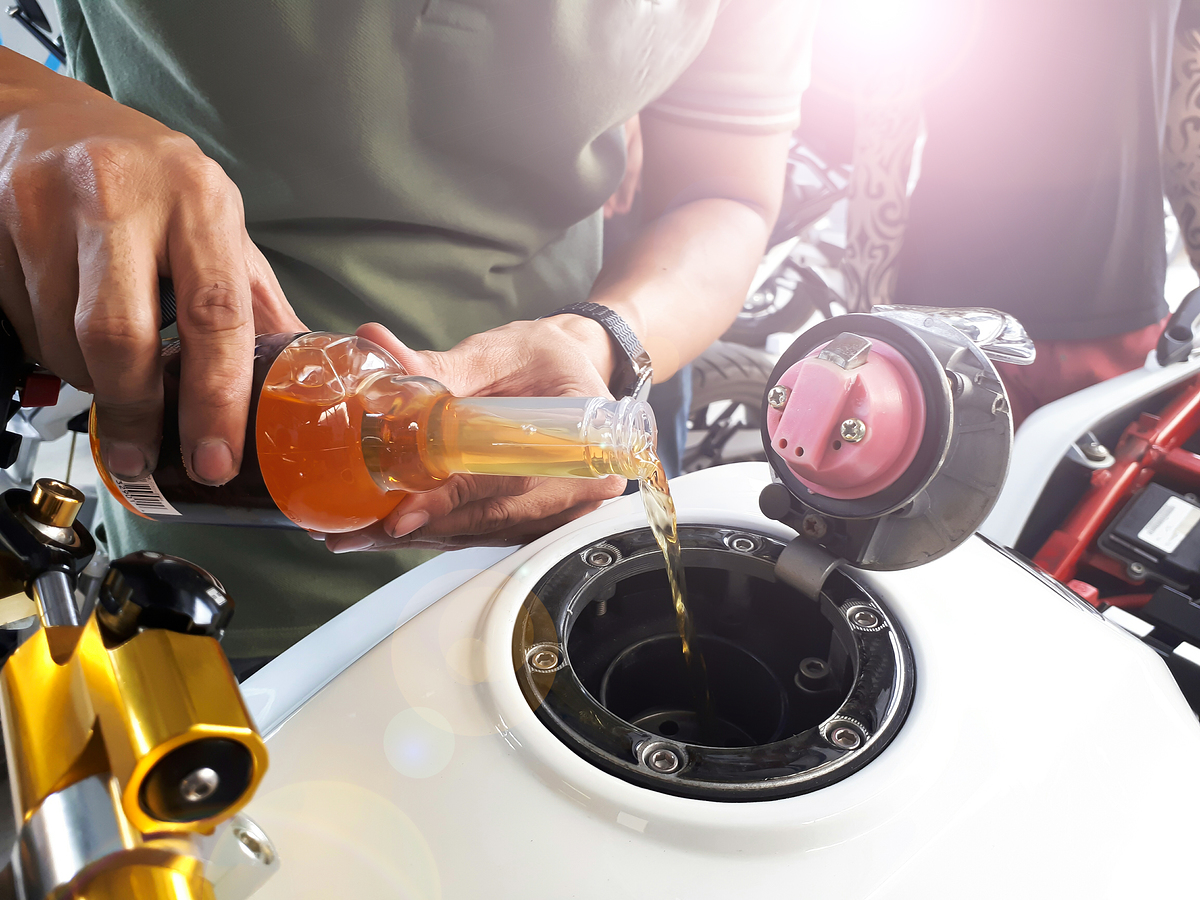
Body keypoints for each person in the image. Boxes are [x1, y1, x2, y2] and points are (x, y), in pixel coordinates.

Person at [0, 1, 817, 667]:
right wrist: (23, 117)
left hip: (548, 549)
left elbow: (724, 192)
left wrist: (600, 337)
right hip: (222, 563)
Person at [841, 0, 1200, 427]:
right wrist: (864, 335)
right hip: (952, 332)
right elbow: (883, 135)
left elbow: (1187, 127)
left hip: (1110, 321)